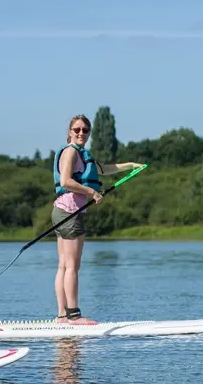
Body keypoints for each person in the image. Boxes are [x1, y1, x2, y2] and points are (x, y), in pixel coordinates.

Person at [51, 114, 142, 325]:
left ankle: (63, 316)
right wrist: (92, 192)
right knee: (71, 266)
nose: (81, 133)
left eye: (85, 130)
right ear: (69, 132)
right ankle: (73, 316)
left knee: (65, 265)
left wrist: (130, 165)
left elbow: (104, 169)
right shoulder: (71, 153)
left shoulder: (82, 154)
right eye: (77, 129)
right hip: (70, 212)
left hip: (62, 211)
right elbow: (66, 181)